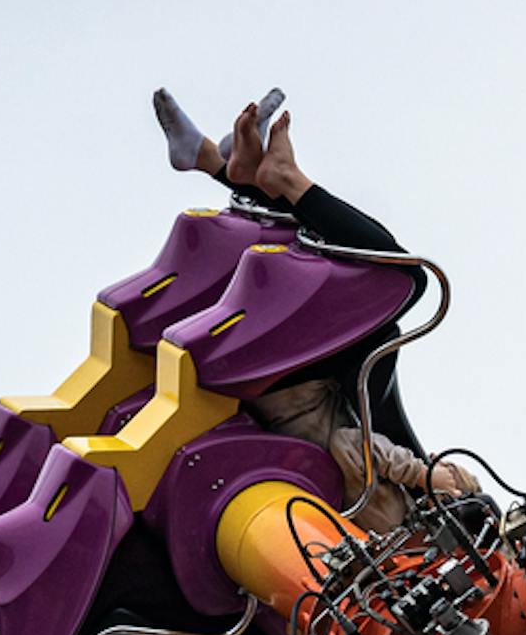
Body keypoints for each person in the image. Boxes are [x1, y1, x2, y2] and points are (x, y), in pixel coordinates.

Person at [153, 90, 481, 531]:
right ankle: (219, 164)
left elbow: (348, 444)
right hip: (311, 386)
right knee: (369, 299)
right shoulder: (408, 503)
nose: (453, 478)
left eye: (459, 486)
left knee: (405, 279)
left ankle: (272, 177)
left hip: (291, 390)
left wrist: (423, 475)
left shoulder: (397, 523)